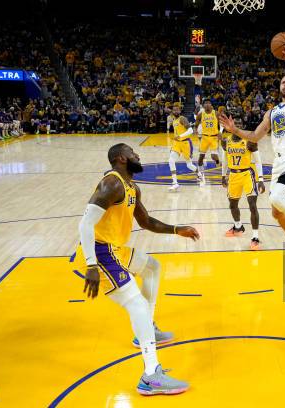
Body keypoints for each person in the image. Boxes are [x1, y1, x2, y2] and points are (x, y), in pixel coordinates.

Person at [74, 143, 199, 395]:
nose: (137, 155)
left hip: (115, 250)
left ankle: (147, 327)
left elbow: (146, 221)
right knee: (137, 304)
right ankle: (151, 375)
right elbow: (85, 224)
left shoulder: (132, 187)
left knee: (152, 267)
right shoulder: (112, 184)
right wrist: (90, 264)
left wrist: (177, 229)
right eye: (132, 153)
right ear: (121, 158)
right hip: (99, 252)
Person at [219, 40, 285, 258]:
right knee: (276, 212)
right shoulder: (272, 112)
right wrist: (235, 129)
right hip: (279, 163)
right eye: (282, 82)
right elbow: (255, 136)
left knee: (276, 199)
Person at [221, 125, 265, 250]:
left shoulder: (250, 141)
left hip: (247, 174)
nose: (238, 127)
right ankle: (238, 226)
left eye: (240, 125)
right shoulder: (225, 141)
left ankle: (255, 237)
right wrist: (223, 175)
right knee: (232, 205)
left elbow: (258, 161)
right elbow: (225, 160)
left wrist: (260, 179)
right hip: (233, 175)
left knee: (252, 204)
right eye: (236, 124)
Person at [167, 103, 203, 191]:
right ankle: (175, 183)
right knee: (171, 160)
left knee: (189, 165)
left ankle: (199, 174)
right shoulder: (173, 120)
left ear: (180, 111)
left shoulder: (182, 118)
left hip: (186, 143)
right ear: (172, 111)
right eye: (174, 110)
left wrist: (180, 136)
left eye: (177, 110)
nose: (176, 111)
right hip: (176, 144)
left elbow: (190, 130)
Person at [194, 99, 222, 171]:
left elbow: (222, 123)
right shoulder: (201, 114)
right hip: (204, 138)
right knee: (201, 157)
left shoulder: (216, 113)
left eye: (208, 103)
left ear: (211, 105)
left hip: (214, 138)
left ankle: (218, 162)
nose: (207, 104)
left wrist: (220, 131)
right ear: (203, 106)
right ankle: (200, 171)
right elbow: (196, 124)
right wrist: (195, 129)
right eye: (205, 103)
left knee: (213, 156)